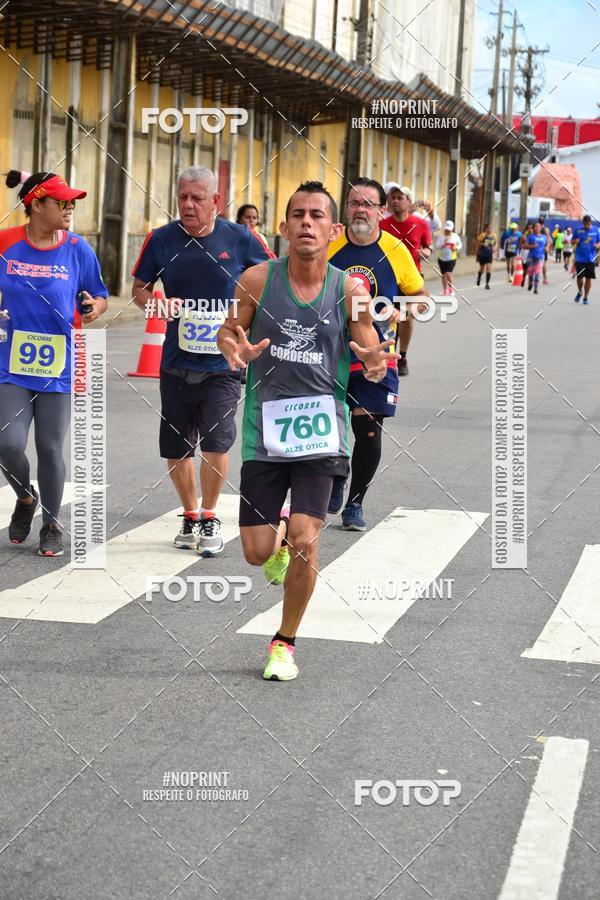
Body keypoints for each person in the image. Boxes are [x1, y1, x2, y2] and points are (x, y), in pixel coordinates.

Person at [217, 180, 393, 681]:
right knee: (256, 553)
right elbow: (228, 330)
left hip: (322, 434)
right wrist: (234, 347)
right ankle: (279, 536)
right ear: (285, 225)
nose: (308, 223)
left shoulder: (350, 290)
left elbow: (369, 348)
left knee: (304, 539)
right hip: (265, 432)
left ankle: (283, 642)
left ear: (333, 229)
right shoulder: (256, 279)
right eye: (298, 215)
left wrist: (375, 364)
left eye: (318, 215)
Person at [131, 166, 270, 555]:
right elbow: (139, 288)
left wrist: (246, 317)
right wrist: (156, 303)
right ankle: (190, 514)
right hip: (176, 359)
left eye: (197, 198)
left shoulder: (241, 239)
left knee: (216, 444)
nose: (188, 205)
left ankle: (210, 516)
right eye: (182, 197)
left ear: (216, 202)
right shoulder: (161, 239)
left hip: (223, 364)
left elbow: (271, 277)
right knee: (176, 448)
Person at [0, 170, 108, 557]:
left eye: (72, 202)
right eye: (62, 202)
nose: (70, 208)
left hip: (58, 364)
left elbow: (98, 293)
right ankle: (25, 498)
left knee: (49, 446)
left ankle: (50, 523)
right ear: (36, 205)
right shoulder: (6, 242)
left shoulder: (78, 248)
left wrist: (94, 307)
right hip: (10, 361)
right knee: (7, 443)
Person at [327, 177, 428, 530]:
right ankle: (336, 473)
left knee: (367, 430)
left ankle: (355, 504)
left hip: (376, 353)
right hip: (331, 352)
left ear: (381, 211)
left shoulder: (396, 250)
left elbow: (422, 297)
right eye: (354, 203)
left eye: (369, 204)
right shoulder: (330, 247)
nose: (360, 210)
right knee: (330, 424)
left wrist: (401, 309)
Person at [380, 184, 432, 376]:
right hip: (388, 278)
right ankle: (388, 353)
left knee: (407, 318)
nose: (395, 201)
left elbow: (428, 247)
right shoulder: (382, 224)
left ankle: (402, 356)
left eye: (399, 197)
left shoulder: (420, 223)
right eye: (392, 197)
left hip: (412, 280)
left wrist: (425, 252)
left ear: (409, 201)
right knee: (387, 317)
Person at [573, 214, 600, 305]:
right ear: (583, 223)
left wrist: (598, 245)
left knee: (588, 278)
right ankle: (580, 291)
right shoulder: (578, 230)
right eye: (585, 224)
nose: (586, 226)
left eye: (588, 224)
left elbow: (599, 242)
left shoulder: (596, 230)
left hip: (590, 259)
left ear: (590, 223)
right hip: (580, 258)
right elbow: (572, 240)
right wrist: (575, 241)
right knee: (580, 277)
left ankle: (585, 297)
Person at [435, 220, 462, 295]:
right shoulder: (441, 236)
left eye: (449, 230)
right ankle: (445, 290)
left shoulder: (455, 236)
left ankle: (451, 289)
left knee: (448, 274)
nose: (447, 231)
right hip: (441, 258)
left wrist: (456, 247)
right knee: (443, 275)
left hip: (451, 258)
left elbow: (460, 245)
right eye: (446, 229)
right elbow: (437, 246)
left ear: (452, 229)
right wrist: (443, 242)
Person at [524, 222, 548, 294]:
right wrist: (532, 246)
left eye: (539, 226)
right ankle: (530, 282)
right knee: (530, 273)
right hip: (531, 257)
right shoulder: (530, 237)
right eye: (536, 226)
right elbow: (525, 245)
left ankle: (536, 287)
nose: (537, 228)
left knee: (537, 273)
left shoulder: (544, 237)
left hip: (540, 257)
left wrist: (547, 248)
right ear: (533, 228)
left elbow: (547, 245)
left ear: (541, 228)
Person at [476, 224, 497, 289]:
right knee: (482, 269)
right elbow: (477, 242)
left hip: (489, 254)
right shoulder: (483, 235)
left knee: (488, 269)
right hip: (482, 254)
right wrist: (483, 244)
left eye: (491, 228)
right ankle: (479, 277)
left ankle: (487, 284)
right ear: (486, 229)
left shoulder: (494, 236)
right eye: (488, 228)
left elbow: (495, 243)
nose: (490, 229)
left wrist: (495, 249)